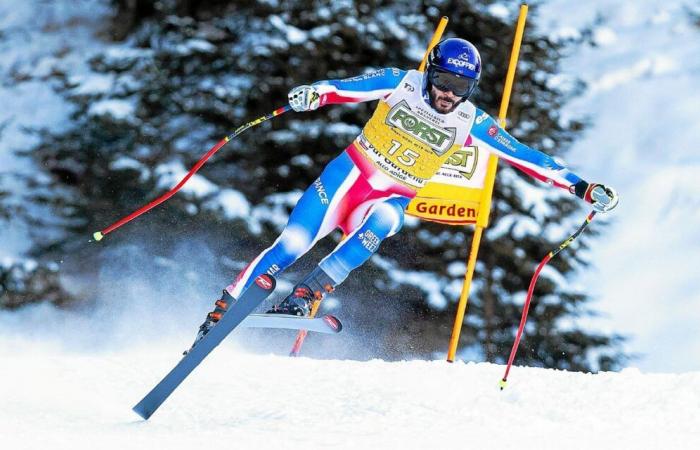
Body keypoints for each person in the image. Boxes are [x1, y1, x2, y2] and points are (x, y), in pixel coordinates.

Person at [190, 38, 619, 346]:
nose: (449, 94)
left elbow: (527, 157)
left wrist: (582, 187)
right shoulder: (403, 83)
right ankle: (225, 307)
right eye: (445, 80)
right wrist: (314, 94)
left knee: (387, 221)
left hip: (385, 198)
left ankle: (308, 292)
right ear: (432, 71)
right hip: (348, 178)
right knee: (294, 243)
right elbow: (347, 86)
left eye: (461, 87)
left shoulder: (471, 121)